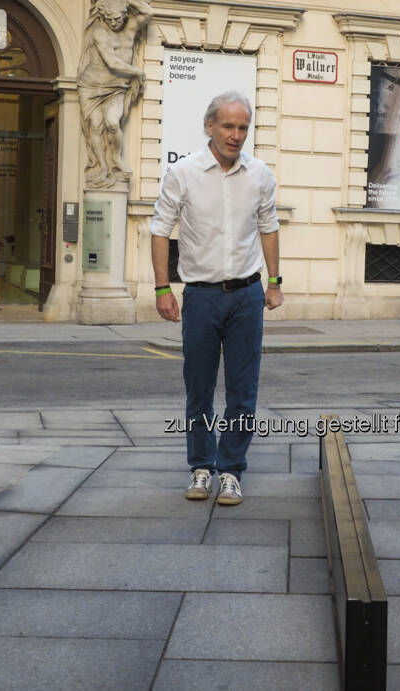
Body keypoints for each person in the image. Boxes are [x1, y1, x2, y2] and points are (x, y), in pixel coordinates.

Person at [150, 91, 283, 507]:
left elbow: (269, 227)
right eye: (228, 126)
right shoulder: (183, 173)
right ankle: (201, 466)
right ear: (210, 126)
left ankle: (231, 470)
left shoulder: (259, 174)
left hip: (246, 294)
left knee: (244, 390)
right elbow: (160, 230)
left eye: (243, 127)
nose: (236, 135)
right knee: (200, 388)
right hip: (201, 297)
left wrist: (275, 281)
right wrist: (161, 288)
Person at [77, 0, 153, 189]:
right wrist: (137, 71)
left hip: (117, 85)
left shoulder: (131, 28)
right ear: (103, 17)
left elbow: (149, 12)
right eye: (109, 19)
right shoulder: (100, 32)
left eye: (117, 19)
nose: (113, 23)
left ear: (125, 15)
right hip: (92, 84)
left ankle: (116, 159)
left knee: (112, 122)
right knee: (95, 125)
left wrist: (127, 0)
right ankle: (102, 167)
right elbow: (111, 62)